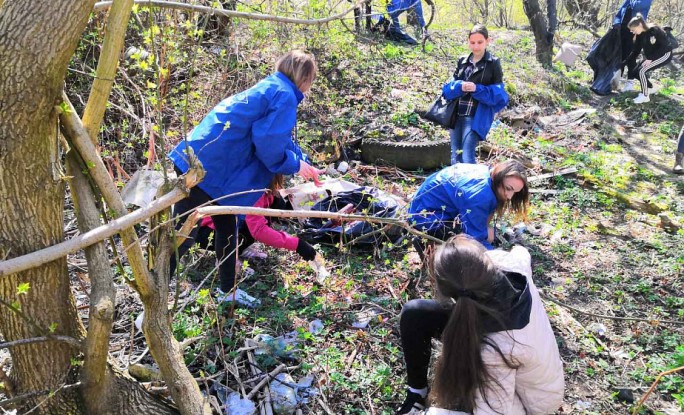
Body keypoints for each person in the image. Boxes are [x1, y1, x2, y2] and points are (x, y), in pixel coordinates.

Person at [168, 50, 322, 307]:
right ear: (305, 79)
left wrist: (302, 161)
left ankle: (228, 291)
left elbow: (280, 139)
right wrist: (295, 165)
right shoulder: (284, 96)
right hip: (209, 170)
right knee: (184, 232)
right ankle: (154, 293)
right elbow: (268, 144)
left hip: (208, 163)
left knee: (227, 228)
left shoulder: (272, 87)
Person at [395, 235, 564, 415]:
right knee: (416, 313)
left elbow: (495, 412)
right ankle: (417, 393)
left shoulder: (495, 351)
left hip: (532, 401)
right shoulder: (506, 263)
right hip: (509, 356)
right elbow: (522, 253)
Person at [407, 160, 529, 250]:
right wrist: (496, 256)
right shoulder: (480, 195)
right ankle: (429, 243)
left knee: (490, 233)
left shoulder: (487, 174)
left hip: (426, 208)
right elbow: (474, 237)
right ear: (498, 177)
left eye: (515, 192)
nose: (509, 196)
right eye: (508, 188)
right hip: (425, 220)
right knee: (486, 238)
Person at [442, 25, 509, 164]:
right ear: (468, 42)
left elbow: (499, 94)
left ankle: (471, 185)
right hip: (456, 112)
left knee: (467, 155)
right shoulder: (462, 61)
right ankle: (456, 185)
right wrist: (460, 86)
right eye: (472, 42)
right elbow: (448, 88)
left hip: (475, 115)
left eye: (480, 42)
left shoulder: (493, 63)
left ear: (487, 41)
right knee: (455, 154)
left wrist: (476, 89)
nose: (476, 46)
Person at [623, 14, 673, 103]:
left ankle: (645, 96)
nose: (633, 32)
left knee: (641, 71)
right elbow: (636, 51)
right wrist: (623, 62)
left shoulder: (654, 30)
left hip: (664, 55)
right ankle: (651, 88)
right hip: (652, 57)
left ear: (640, 25)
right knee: (635, 72)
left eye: (633, 30)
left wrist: (651, 59)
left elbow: (664, 47)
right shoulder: (640, 35)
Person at [614, 0, 653, 89]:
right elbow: (621, 11)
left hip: (635, 31)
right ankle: (616, 80)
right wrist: (616, 22)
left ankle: (630, 82)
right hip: (622, 29)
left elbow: (639, 7)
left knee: (631, 56)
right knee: (621, 54)